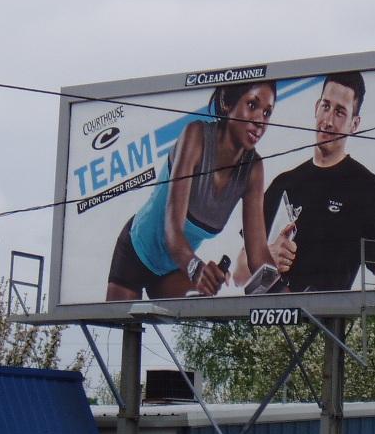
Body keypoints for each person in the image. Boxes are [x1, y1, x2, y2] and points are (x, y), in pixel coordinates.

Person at [106, 80, 278, 300]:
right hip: (136, 254)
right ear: (228, 103)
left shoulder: (253, 169)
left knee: (209, 300)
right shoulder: (196, 135)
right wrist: (196, 269)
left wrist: (293, 294)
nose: (260, 121)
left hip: (173, 269)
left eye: (267, 113)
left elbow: (258, 255)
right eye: (252, 105)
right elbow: (172, 230)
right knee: (120, 320)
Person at [237, 70, 375, 292]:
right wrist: (267, 258)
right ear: (316, 107)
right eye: (325, 106)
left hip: (330, 313)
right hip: (272, 312)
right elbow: (240, 269)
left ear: (354, 124)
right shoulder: (284, 183)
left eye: (340, 112)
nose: (328, 121)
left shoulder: (369, 189)